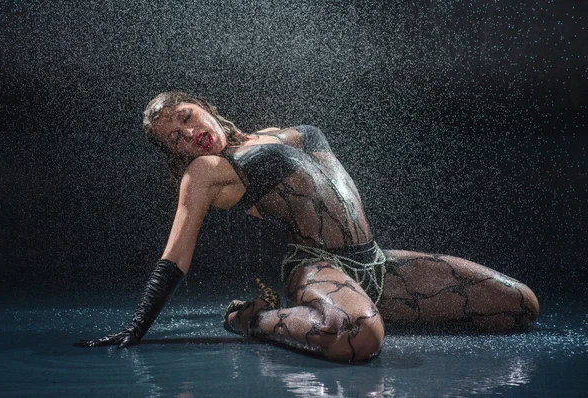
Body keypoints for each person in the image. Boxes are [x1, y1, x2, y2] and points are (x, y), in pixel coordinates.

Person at [76, 92, 539, 362]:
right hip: (316, 265)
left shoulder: (273, 134)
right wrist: (136, 327)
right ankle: (250, 319)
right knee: (360, 339)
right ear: (176, 153)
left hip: (374, 259)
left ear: (201, 105)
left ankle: (361, 306)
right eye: (175, 138)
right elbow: (175, 253)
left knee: (520, 305)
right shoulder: (206, 173)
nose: (187, 131)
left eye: (185, 116)